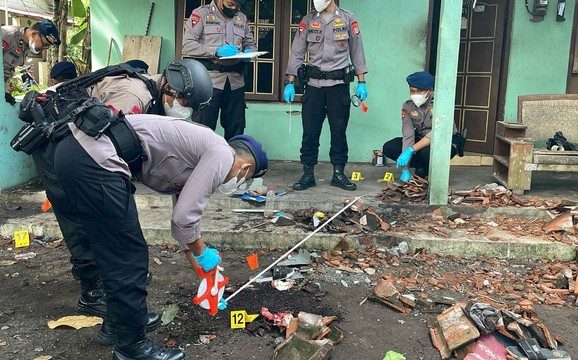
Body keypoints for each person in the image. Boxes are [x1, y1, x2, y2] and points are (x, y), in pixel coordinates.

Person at [22, 59, 213, 348]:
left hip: (73, 145)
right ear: (170, 88)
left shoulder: (151, 92)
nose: (185, 108)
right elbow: (104, 143)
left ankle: (121, 315)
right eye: (185, 100)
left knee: (114, 237)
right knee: (91, 227)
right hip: (59, 147)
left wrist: (198, 259)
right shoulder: (133, 96)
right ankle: (95, 294)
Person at [51, 105, 268, 359]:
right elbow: (184, 218)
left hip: (74, 154)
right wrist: (204, 254)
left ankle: (115, 324)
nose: (241, 183)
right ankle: (132, 348)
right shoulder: (223, 154)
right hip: (94, 160)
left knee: (111, 249)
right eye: (248, 177)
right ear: (245, 166)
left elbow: (184, 225)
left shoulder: (201, 151)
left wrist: (204, 273)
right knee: (128, 256)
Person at [283, 0, 368, 191]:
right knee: (310, 131)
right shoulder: (308, 20)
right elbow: (296, 52)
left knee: (339, 131)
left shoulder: (347, 19)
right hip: (313, 85)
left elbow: (357, 52)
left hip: (338, 85)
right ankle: (308, 173)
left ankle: (338, 173)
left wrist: (362, 82)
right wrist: (290, 82)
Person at [182, 0, 257, 140]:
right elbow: (188, 45)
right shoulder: (201, 14)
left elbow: (251, 44)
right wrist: (216, 51)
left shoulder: (241, 18)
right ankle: (203, 161)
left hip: (235, 82)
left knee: (236, 128)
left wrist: (249, 53)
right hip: (208, 82)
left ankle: (233, 160)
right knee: (203, 128)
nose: (234, 8)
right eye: (230, 4)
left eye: (237, 6)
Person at [382, 71, 459, 182]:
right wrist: (405, 168)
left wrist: (411, 150)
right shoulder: (408, 106)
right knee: (390, 147)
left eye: (420, 91)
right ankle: (421, 167)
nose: (415, 95)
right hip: (421, 141)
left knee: (426, 152)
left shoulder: (442, 104)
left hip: (444, 142)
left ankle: (426, 168)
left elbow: (438, 133)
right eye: (412, 91)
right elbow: (408, 135)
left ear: (430, 90)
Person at [2, 19, 60, 104]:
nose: (44, 49)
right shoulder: (7, 36)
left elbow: (7, 69)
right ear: (34, 34)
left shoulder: (26, 45)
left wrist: (5, 92)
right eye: (44, 45)